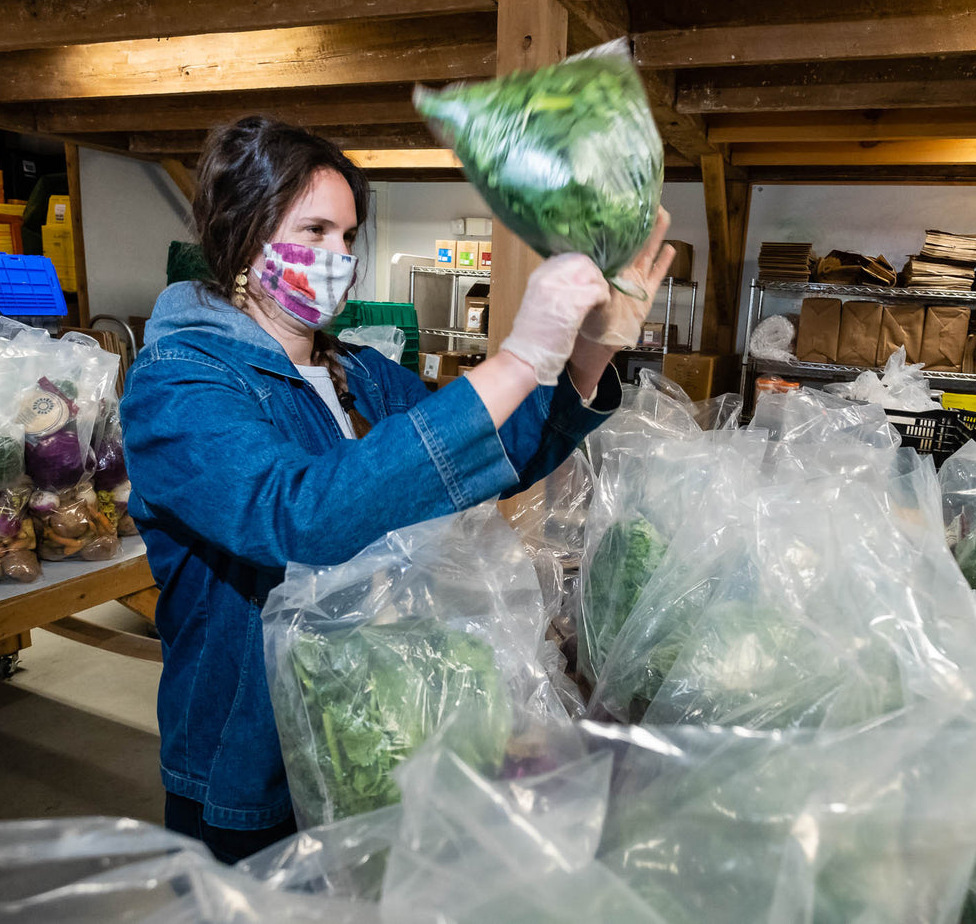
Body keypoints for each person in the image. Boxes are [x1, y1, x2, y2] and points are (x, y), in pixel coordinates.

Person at [120, 116, 673, 863]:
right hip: (254, 766)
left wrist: (586, 354)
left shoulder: (366, 374)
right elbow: (301, 515)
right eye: (314, 230)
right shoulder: (180, 383)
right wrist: (514, 358)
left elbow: (490, 455)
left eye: (348, 237)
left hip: (383, 736)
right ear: (243, 233)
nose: (338, 258)